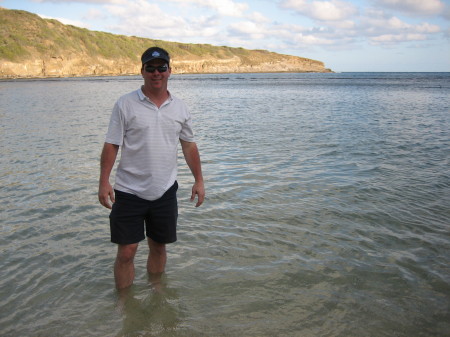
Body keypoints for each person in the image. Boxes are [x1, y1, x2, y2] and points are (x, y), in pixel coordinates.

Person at [98, 47, 205, 290]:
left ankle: (157, 295)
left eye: (161, 67)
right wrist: (104, 181)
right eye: (151, 68)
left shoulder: (180, 107)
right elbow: (112, 144)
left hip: (165, 190)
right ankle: (125, 306)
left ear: (169, 71)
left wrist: (199, 180)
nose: (156, 73)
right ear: (142, 71)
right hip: (128, 190)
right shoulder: (125, 104)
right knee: (126, 252)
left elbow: (189, 146)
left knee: (158, 246)